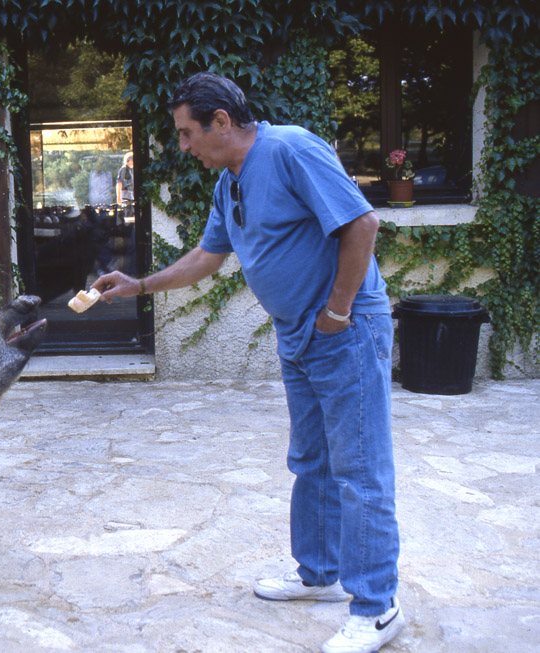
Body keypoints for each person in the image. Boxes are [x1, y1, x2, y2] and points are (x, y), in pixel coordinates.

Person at [92, 72, 403, 653]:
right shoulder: (228, 183)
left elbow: (362, 223)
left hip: (345, 331)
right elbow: (208, 257)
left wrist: (336, 312)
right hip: (300, 337)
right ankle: (318, 574)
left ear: (222, 123)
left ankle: (378, 606)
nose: (184, 146)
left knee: (359, 471)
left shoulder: (289, 149)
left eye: (188, 133)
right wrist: (137, 286)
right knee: (311, 459)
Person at [116, 151, 134, 217]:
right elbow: (119, 183)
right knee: (127, 212)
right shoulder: (124, 169)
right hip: (125, 194)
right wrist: (118, 197)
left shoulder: (130, 170)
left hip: (129, 194)